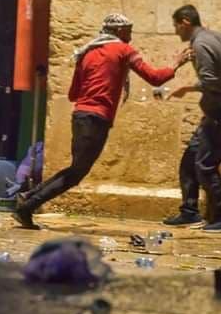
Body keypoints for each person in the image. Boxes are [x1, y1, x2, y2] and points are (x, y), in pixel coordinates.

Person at [13, 13, 191, 229]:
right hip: (97, 119)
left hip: (80, 116)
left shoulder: (87, 52)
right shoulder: (124, 50)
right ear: (118, 31)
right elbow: (155, 77)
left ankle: (28, 197)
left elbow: (73, 94)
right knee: (76, 173)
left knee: (75, 169)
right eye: (128, 31)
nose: (130, 35)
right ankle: (27, 206)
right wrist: (175, 64)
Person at [163, 5, 221, 232]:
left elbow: (211, 80)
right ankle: (189, 212)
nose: (176, 31)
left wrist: (186, 88)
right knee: (189, 161)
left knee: (205, 165)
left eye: (176, 26)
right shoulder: (215, 37)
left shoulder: (200, 44)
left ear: (185, 22)